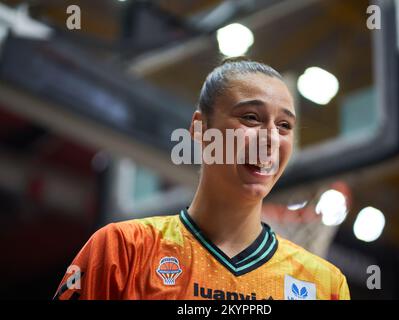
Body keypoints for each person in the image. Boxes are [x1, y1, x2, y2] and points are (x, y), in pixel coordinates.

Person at [54, 57, 350, 300]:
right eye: (250, 117)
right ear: (200, 129)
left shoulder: (324, 285)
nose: (270, 138)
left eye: (284, 125)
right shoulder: (123, 249)